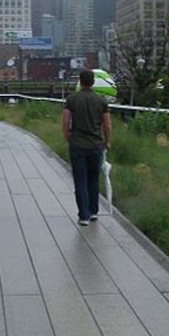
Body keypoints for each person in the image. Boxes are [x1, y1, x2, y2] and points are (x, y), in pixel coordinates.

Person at [62, 69, 112, 226]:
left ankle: (83, 215)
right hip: (96, 145)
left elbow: (65, 121)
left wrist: (67, 136)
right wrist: (106, 141)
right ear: (93, 82)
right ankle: (94, 211)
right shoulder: (101, 101)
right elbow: (107, 125)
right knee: (93, 179)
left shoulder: (72, 99)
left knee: (80, 180)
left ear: (80, 81)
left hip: (77, 144)